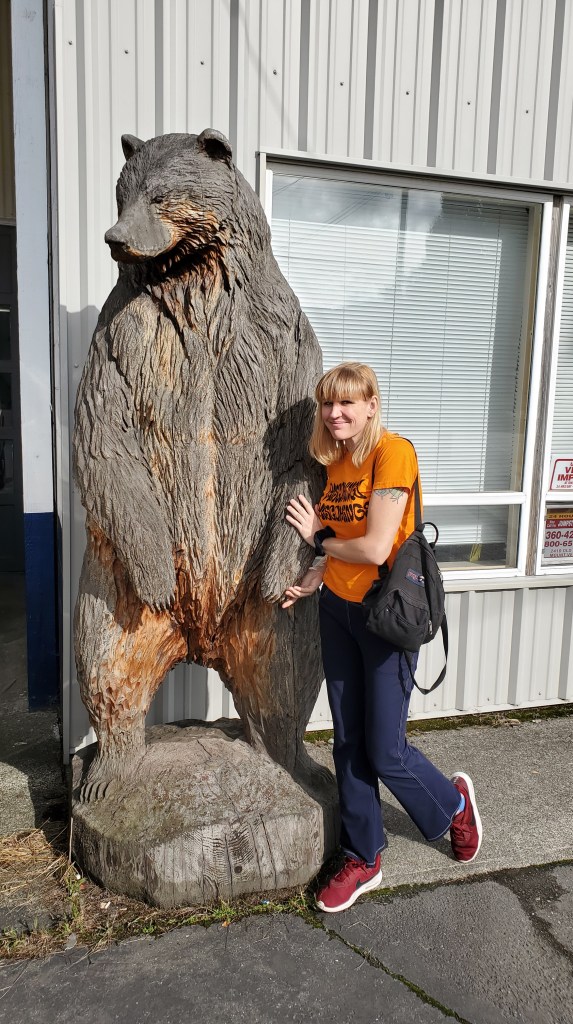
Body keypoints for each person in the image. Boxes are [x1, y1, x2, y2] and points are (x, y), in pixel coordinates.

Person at [282, 362, 482, 913]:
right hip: (336, 610)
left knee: (386, 749)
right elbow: (341, 542)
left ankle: (454, 806)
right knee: (347, 739)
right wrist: (313, 576)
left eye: (347, 402)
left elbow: (372, 547)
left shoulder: (393, 454)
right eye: (328, 403)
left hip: (385, 614)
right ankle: (363, 854)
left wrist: (317, 539)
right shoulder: (337, 462)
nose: (335, 413)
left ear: (372, 405)